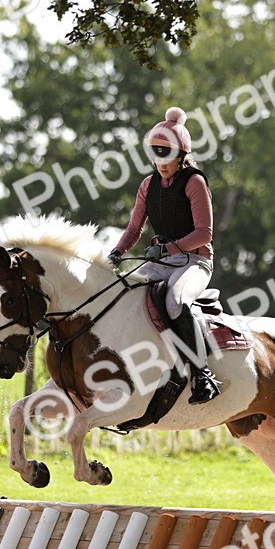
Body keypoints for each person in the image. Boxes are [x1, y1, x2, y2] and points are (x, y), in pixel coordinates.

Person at [109, 107, 221, 404]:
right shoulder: (148, 185)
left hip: (195, 261)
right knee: (122, 294)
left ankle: (203, 375)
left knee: (175, 301)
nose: (161, 163)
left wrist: (168, 248)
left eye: (167, 155)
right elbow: (135, 228)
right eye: (157, 155)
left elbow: (204, 233)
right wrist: (117, 252)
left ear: (181, 156)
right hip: (161, 262)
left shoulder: (194, 182)